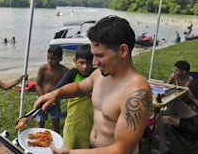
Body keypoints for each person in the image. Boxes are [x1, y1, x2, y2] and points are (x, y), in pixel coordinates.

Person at [34, 15, 153, 154]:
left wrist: (72, 153)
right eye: (93, 55)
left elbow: (121, 150)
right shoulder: (100, 75)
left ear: (122, 51)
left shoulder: (136, 93)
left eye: (100, 56)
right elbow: (79, 87)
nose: (94, 62)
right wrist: (56, 94)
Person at [54, 44, 96, 149]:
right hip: (74, 120)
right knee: (70, 145)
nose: (85, 67)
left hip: (93, 121)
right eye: (81, 63)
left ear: (94, 62)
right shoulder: (72, 74)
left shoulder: (97, 74)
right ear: (75, 61)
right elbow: (57, 90)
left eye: (89, 63)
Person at [35, 45, 69, 133]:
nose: (50, 61)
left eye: (53, 59)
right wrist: (42, 97)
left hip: (55, 100)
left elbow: (68, 87)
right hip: (42, 99)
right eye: (48, 58)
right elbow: (38, 84)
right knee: (40, 121)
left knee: (56, 121)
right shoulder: (43, 68)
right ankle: (38, 136)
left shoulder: (64, 71)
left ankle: (57, 140)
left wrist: (58, 97)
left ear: (60, 58)